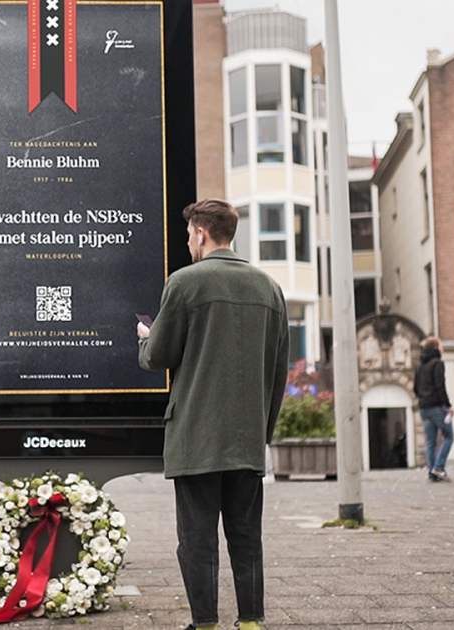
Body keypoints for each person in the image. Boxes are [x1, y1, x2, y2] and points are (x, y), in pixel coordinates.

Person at [137, 199, 289, 630]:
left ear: (201, 233)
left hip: (196, 437)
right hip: (246, 439)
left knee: (197, 540)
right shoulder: (269, 289)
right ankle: (252, 622)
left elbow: (160, 355)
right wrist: (262, 432)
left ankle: (204, 623)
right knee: (246, 538)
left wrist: (145, 338)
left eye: (189, 234)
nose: (187, 242)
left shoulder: (185, 283)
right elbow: (278, 371)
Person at [414, 336, 453, 482]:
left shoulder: (419, 366)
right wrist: (448, 406)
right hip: (437, 406)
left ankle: (432, 472)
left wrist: (423, 398)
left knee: (430, 440)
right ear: (436, 348)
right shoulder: (437, 364)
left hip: (424, 408)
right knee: (449, 436)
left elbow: (415, 388)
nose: (443, 349)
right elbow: (440, 386)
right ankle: (439, 467)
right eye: (441, 346)